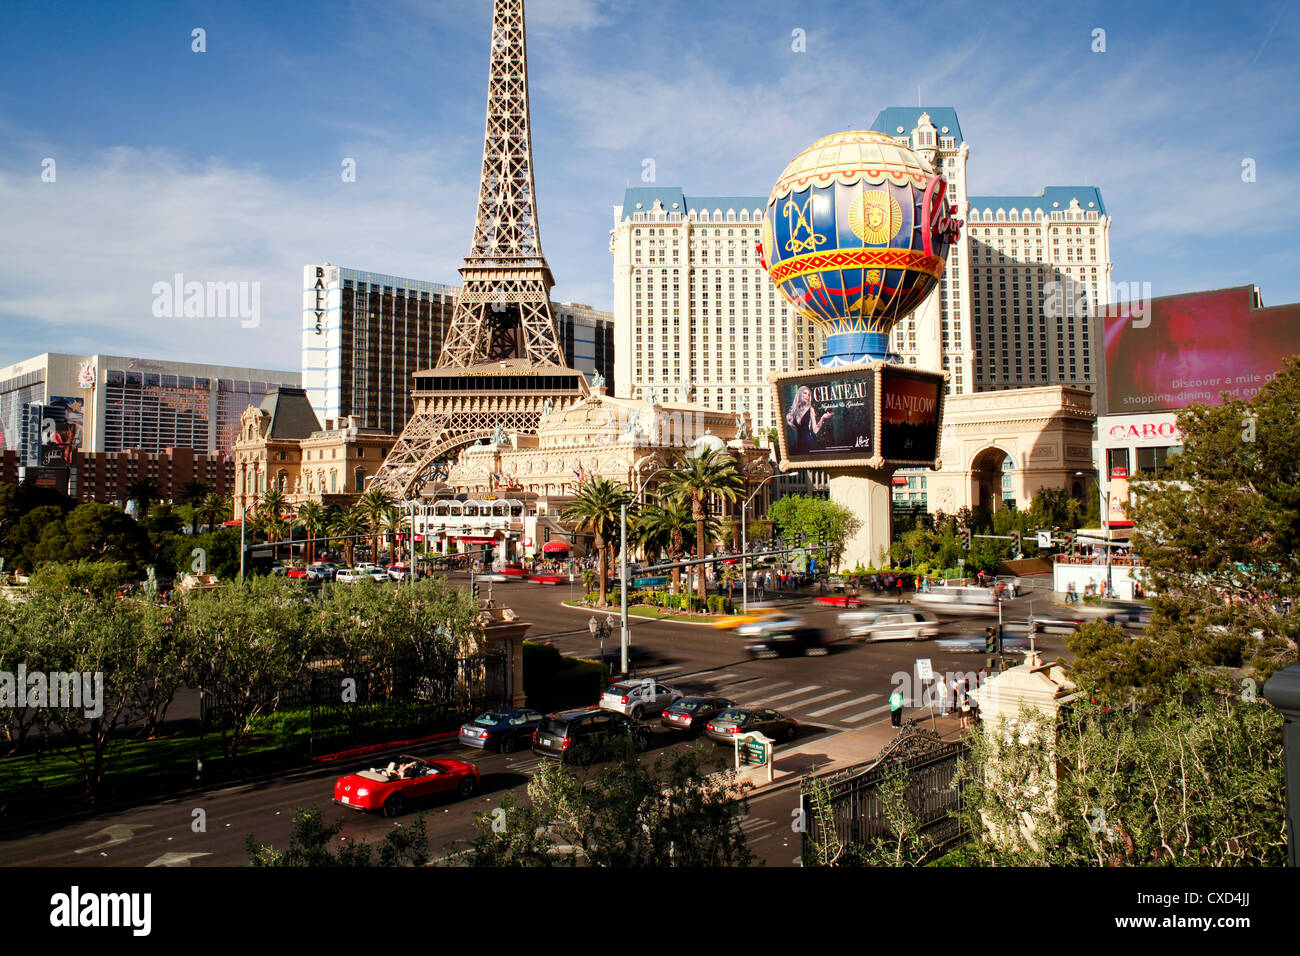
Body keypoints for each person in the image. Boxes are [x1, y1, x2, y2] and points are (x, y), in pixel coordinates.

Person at [785, 384, 834, 455]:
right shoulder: (795, 411)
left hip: (809, 443)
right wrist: (789, 422)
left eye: (808, 395)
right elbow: (798, 428)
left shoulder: (811, 410)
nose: (807, 396)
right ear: (799, 394)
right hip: (799, 445)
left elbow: (815, 430)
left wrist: (822, 418)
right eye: (805, 393)